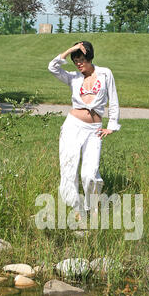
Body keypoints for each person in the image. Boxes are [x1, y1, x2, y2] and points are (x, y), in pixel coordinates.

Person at [48, 41, 121, 216]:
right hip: (73, 126)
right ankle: (76, 207)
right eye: (75, 61)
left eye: (81, 59)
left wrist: (111, 125)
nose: (78, 64)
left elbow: (114, 99)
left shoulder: (105, 73)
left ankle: (92, 208)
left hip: (94, 129)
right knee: (69, 167)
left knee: (90, 173)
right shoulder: (73, 77)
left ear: (89, 57)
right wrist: (70, 50)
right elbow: (52, 67)